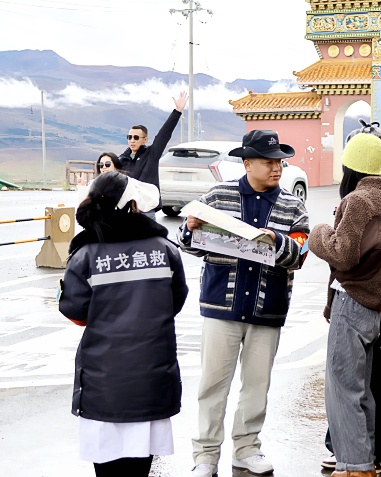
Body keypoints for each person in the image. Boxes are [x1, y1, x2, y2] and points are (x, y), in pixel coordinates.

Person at [178, 130, 310, 477]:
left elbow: (300, 255)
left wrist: (275, 240)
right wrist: (190, 229)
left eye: (280, 161)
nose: (277, 168)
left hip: (268, 309)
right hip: (221, 306)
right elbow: (188, 243)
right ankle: (205, 455)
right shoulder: (218, 197)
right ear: (247, 162)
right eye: (269, 161)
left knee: (257, 385)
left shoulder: (293, 206)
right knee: (212, 385)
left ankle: (247, 448)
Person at [58, 171, 188, 477]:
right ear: (132, 206)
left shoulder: (86, 254)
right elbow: (175, 302)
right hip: (151, 379)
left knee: (107, 464)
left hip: (104, 384)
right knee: (141, 461)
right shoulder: (165, 249)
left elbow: (75, 311)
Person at [322, 122, 381, 473]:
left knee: (374, 386)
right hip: (379, 301)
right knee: (364, 385)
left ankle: (376, 456)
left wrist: (330, 240)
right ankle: (359, 453)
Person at [118, 91, 188, 218]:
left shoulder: (151, 155)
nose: (132, 140)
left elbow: (164, 135)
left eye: (136, 137)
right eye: (129, 137)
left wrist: (177, 111)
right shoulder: (122, 160)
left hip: (145, 211)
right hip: (126, 211)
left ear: (145, 139)